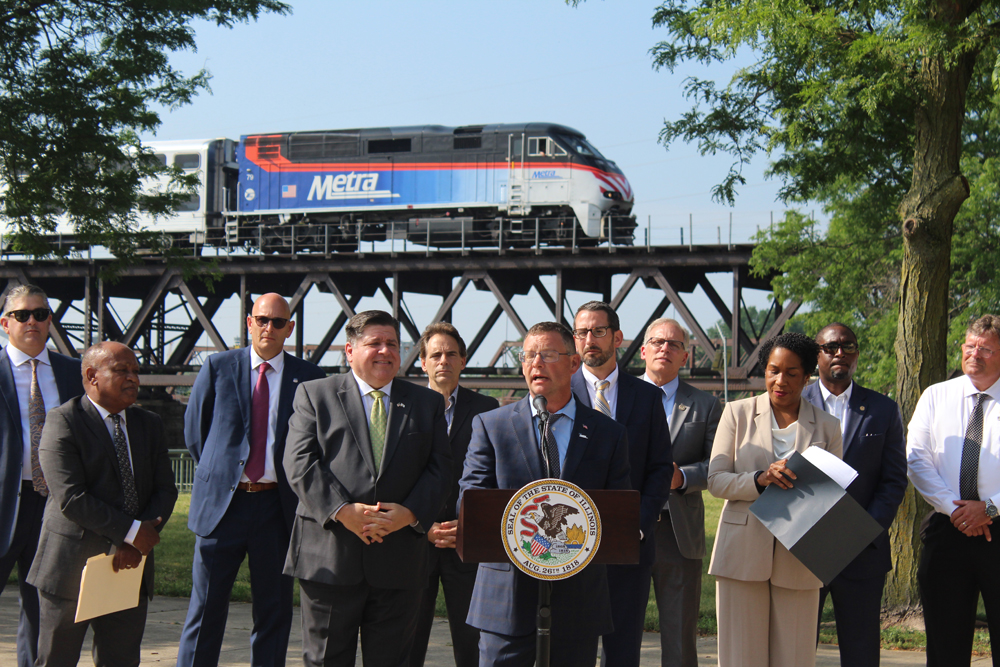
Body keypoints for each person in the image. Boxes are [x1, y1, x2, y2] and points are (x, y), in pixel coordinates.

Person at [283, 310, 451, 667]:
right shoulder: (314, 394)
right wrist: (344, 512)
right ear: (349, 350)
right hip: (330, 557)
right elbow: (299, 463)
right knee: (326, 660)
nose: (385, 351)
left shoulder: (427, 403)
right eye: (374, 342)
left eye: (392, 343)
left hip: (400, 560)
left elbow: (441, 469)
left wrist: (408, 514)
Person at [459, 321, 632, 667]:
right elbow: (471, 500)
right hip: (506, 601)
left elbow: (618, 511)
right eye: (528, 355)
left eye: (548, 354)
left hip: (578, 600)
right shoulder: (490, 425)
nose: (536, 363)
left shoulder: (607, 433)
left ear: (573, 363)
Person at [177, 293, 325, 667]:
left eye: (278, 322)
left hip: (277, 510)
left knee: (273, 613)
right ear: (249, 322)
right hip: (222, 508)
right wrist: (224, 475)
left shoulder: (309, 378)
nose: (268, 328)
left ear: (289, 329)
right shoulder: (218, 367)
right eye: (261, 319)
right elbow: (196, 434)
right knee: (205, 611)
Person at [27, 341, 178, 667]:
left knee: (121, 661)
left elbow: (166, 490)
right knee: (56, 660)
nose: (133, 378)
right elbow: (71, 497)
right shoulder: (62, 421)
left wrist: (137, 541)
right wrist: (130, 533)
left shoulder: (148, 424)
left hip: (128, 568)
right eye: (122, 370)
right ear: (92, 376)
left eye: (136, 371)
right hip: (70, 568)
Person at [707, 332, 842, 667]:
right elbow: (716, 480)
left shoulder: (828, 426)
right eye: (772, 370)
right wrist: (760, 479)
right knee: (741, 657)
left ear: (807, 377)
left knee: (795, 657)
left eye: (791, 373)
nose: (780, 381)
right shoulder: (736, 413)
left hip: (801, 554)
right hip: (741, 552)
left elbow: (836, 493)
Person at [569, 302, 672, 667]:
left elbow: (660, 467)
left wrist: (639, 525)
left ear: (617, 338)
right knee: (570, 646)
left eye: (598, 331)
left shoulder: (646, 397)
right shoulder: (558, 392)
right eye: (581, 332)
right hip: (569, 544)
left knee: (623, 648)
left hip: (630, 545)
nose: (589, 340)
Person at [802, 323, 907, 667]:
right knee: (796, 647)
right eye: (831, 347)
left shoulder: (882, 409)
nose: (839, 354)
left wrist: (862, 530)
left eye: (848, 347)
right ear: (816, 354)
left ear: (857, 354)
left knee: (861, 649)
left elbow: (893, 481)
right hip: (803, 546)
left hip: (862, 550)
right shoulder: (792, 403)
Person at [907, 314, 1000, 667]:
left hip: (999, 527)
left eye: (986, 349)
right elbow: (916, 459)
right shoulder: (936, 396)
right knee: (946, 644)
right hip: (948, 529)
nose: (975, 354)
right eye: (970, 346)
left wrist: (989, 509)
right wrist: (955, 509)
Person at [0, 285, 83, 667]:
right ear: (5, 323)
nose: (32, 321)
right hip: (4, 502)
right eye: (22, 314)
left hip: (55, 507)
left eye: (41, 314)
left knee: (44, 611)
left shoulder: (74, 372)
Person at [409, 322, 499, 667]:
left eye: (450, 354)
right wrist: (424, 523)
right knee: (408, 638)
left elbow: (493, 476)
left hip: (468, 541)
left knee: (473, 642)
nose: (443, 360)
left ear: (464, 360)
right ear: (423, 362)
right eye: (435, 354)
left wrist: (467, 524)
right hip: (416, 539)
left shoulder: (487, 408)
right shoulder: (406, 407)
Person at [641, 318, 722, 667]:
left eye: (674, 344)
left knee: (679, 633)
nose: (665, 349)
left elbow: (718, 466)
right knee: (618, 627)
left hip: (679, 532)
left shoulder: (706, 405)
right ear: (643, 350)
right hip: (627, 528)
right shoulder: (618, 398)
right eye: (658, 342)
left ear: (685, 356)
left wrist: (683, 478)